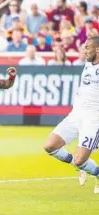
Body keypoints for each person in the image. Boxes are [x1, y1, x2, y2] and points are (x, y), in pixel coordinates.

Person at [44, 35, 99, 194]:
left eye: (87, 47)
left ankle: (95, 171)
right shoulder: (88, 64)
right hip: (76, 114)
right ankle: (81, 167)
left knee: (80, 159)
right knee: (50, 146)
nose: (84, 50)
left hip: (93, 118)